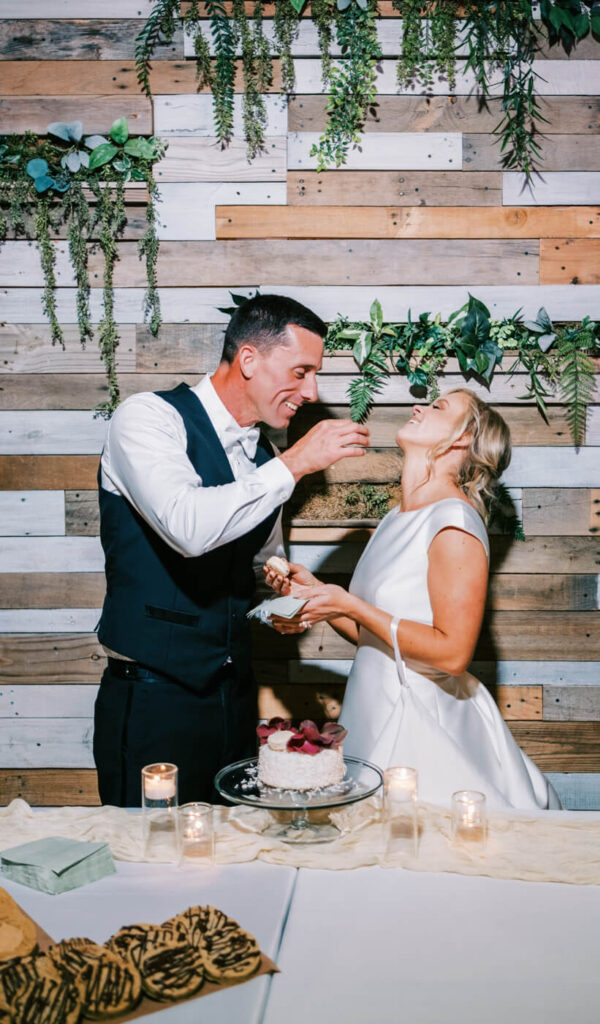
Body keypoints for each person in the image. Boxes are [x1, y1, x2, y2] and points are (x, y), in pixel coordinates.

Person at [94, 294, 369, 806]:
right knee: (148, 862)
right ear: (248, 360)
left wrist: (280, 603)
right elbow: (188, 528)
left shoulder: (262, 454)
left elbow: (261, 567)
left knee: (238, 861)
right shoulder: (149, 419)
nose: (311, 391)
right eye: (302, 370)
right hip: (155, 695)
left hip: (235, 696)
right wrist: (294, 464)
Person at [266, 388, 560, 810]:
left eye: (438, 406)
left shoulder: (453, 521)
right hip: (371, 704)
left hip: (420, 720)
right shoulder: (395, 519)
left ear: (462, 438)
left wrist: (348, 603)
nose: (419, 407)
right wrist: (319, 595)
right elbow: (375, 636)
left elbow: (453, 653)